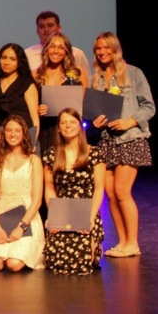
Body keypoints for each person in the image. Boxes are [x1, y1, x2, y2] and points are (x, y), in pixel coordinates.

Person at [89, 32, 155, 259]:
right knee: (110, 193)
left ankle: (133, 242)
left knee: (122, 191)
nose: (102, 52)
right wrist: (95, 122)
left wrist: (130, 120)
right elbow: (94, 112)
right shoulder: (95, 79)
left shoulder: (133, 73)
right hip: (105, 140)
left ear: (116, 49)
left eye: (106, 47)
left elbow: (149, 107)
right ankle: (122, 242)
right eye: (98, 48)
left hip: (129, 139)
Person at [42, 108, 105, 276]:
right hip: (62, 211)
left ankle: (93, 243)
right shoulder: (51, 155)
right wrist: (54, 215)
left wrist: (90, 218)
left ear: (80, 127)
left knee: (82, 263)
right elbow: (49, 186)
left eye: (72, 122)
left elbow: (99, 189)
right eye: (63, 122)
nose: (67, 126)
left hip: (86, 212)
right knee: (56, 262)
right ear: (58, 128)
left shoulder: (94, 153)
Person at [0, 115, 45, 272]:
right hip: (1, 216)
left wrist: (21, 227)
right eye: (9, 130)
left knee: (14, 264)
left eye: (17, 131)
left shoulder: (33, 160)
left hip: (27, 218)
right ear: (3, 134)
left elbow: (37, 200)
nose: (12, 134)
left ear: (24, 134)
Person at [35, 32, 85, 152]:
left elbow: (83, 105)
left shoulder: (78, 72)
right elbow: (31, 105)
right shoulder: (36, 74)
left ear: (67, 51)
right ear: (46, 49)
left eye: (61, 47)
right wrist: (37, 110)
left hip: (69, 129)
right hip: (45, 129)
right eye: (52, 46)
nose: (56, 51)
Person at [24, 10, 91, 79]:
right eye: (41, 26)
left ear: (59, 28)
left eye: (50, 25)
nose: (46, 29)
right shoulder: (27, 54)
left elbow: (87, 82)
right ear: (37, 30)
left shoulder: (77, 53)